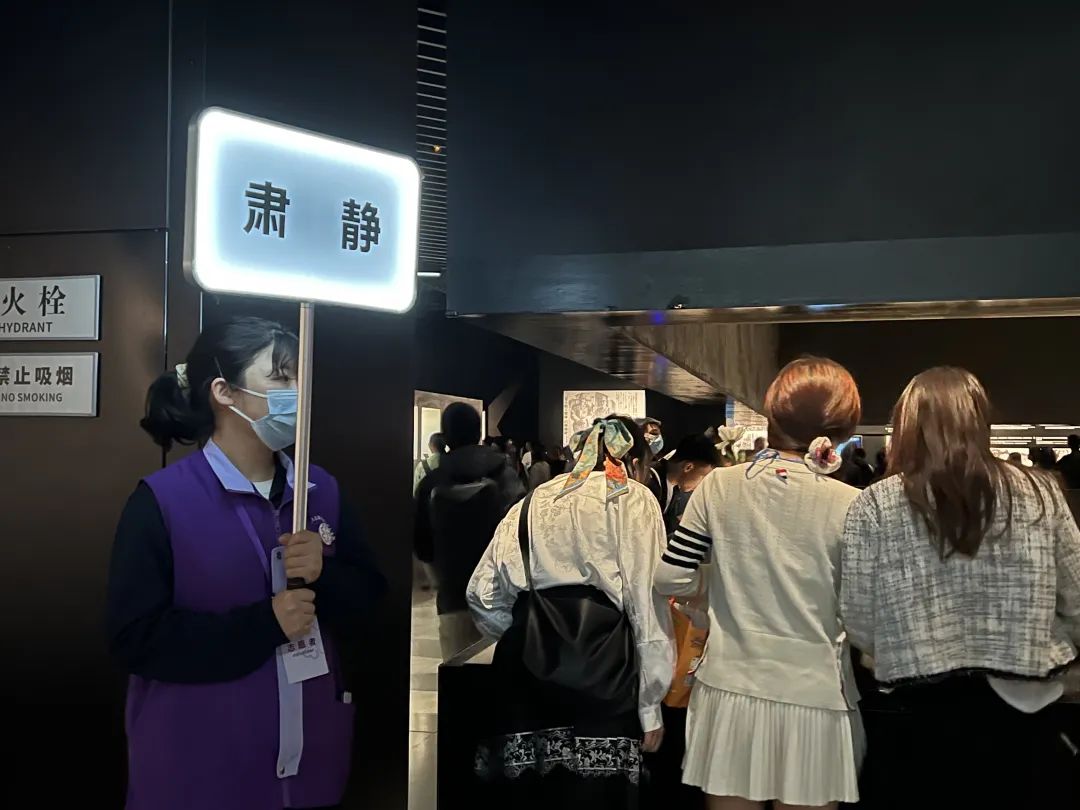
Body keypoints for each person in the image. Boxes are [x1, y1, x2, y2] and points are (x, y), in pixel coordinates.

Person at [107, 317, 386, 810]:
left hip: (309, 772)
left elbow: (370, 603)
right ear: (224, 392)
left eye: (300, 377)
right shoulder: (163, 502)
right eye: (280, 377)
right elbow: (136, 638)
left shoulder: (320, 490)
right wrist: (265, 624)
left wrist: (326, 576)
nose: (297, 391)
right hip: (198, 776)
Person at [841, 367, 1080, 806]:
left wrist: (906, 641)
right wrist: (1047, 640)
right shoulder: (1041, 492)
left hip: (915, 715)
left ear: (905, 424)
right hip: (1025, 708)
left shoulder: (874, 504)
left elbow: (857, 616)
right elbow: (1077, 595)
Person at [655, 356, 865, 809]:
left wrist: (719, 585)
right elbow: (860, 611)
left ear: (773, 413)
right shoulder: (853, 504)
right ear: (841, 427)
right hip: (816, 692)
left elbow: (670, 576)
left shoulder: (719, 485)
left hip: (730, 684)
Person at [468, 416, 674, 807]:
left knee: (529, 797)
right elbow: (646, 604)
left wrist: (526, 630)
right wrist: (650, 704)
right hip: (605, 670)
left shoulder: (531, 501)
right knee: (597, 798)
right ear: (633, 460)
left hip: (525, 672)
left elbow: (482, 594)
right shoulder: (633, 499)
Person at [415, 403, 525, 660]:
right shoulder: (505, 475)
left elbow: (422, 545)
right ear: (478, 432)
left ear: (446, 436)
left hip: (453, 599)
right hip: (503, 596)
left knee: (457, 675)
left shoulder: (432, 482)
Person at [647, 433, 721, 533]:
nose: (701, 485)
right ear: (688, 467)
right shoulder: (651, 483)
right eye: (703, 478)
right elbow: (650, 529)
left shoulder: (674, 488)